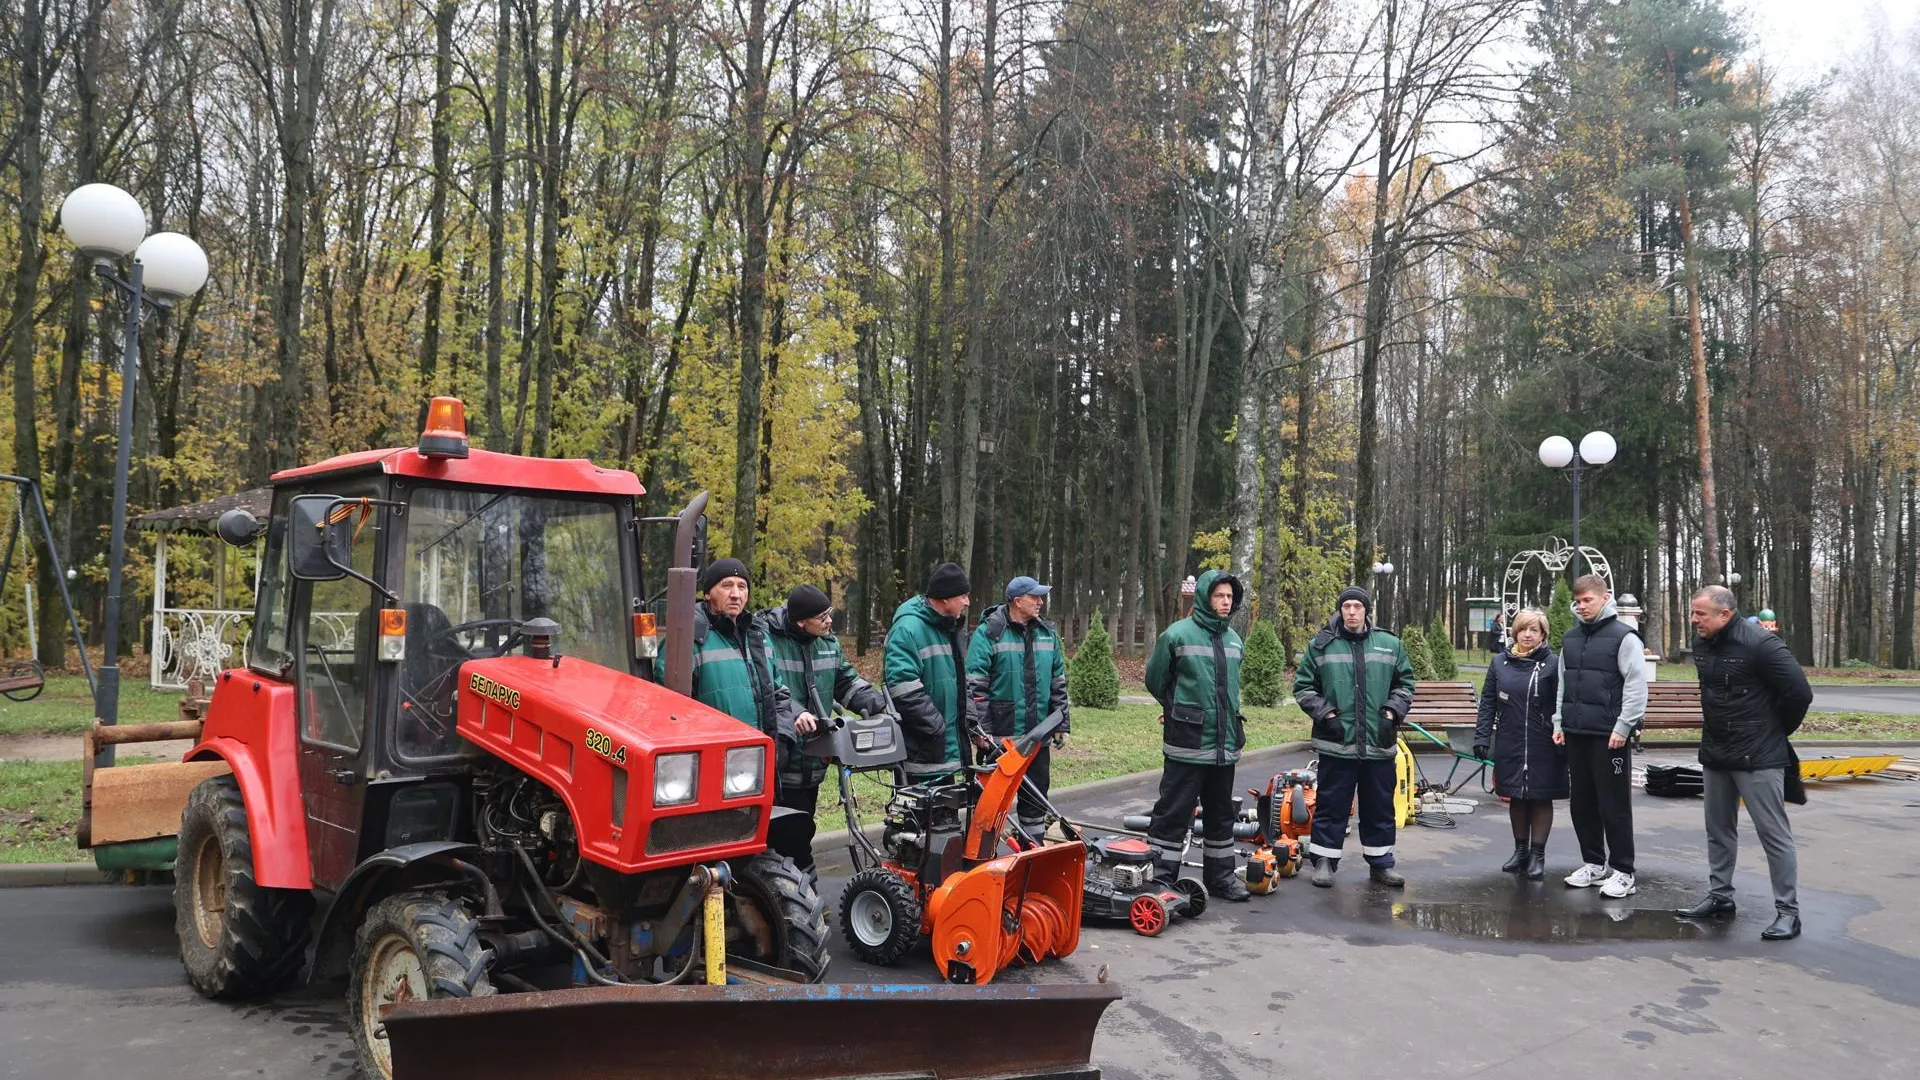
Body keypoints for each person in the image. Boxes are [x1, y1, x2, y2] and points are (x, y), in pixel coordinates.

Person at [1678, 585, 1813, 941]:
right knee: (1718, 830)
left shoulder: (1760, 644)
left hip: (1759, 756)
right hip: (1717, 752)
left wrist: (1773, 731)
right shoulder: (1703, 644)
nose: (1694, 620)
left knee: (1774, 835)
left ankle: (1788, 913)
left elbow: (1800, 693)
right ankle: (1720, 898)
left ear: (1725, 614)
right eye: (1693, 613)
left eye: (1700, 614)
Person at [759, 584, 891, 877]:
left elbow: (847, 682)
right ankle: (793, 892)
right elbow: (769, 687)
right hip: (782, 756)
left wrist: (879, 706)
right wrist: (796, 713)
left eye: (829, 613)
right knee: (782, 832)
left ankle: (803, 891)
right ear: (800, 622)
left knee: (804, 824)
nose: (830, 621)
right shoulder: (768, 642)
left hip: (815, 755)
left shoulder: (828, 644)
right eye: (823, 617)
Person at [1293, 586, 1416, 889]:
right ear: (1340, 610)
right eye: (1346, 606)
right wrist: (1327, 715)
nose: (1351, 612)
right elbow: (1304, 687)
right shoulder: (1322, 646)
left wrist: (1391, 713)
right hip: (1338, 743)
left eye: (1357, 607)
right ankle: (1324, 861)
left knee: (1379, 807)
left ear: (1366, 611)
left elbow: (1406, 685)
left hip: (1378, 743)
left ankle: (1381, 863)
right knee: (1331, 804)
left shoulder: (1389, 644)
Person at [688, 558, 809, 865]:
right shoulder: (689, 640)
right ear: (708, 594)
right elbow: (675, 707)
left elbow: (779, 693)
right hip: (717, 778)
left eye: (742, 587)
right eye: (726, 585)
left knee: (765, 856)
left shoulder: (758, 636)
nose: (735, 594)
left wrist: (781, 740)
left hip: (763, 773)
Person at [1144, 570, 1250, 901]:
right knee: (1173, 813)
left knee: (1221, 814)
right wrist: (1177, 708)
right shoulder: (1176, 636)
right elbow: (1155, 680)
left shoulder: (1234, 639)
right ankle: (1160, 879)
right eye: (1219, 596)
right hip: (1187, 746)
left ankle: (1221, 879)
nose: (1225, 601)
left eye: (1230, 597)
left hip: (1225, 746)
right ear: (1205, 597)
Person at [1551, 573, 1647, 898]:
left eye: (1587, 600)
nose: (1581, 606)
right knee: (1582, 803)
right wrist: (1558, 723)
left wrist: (1623, 727)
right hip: (1576, 732)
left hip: (1610, 737)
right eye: (1577, 602)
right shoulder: (1570, 639)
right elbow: (1563, 685)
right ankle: (1593, 863)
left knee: (1614, 804)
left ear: (1604, 598)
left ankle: (1624, 870)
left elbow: (1636, 686)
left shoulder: (1625, 637)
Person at [967, 576, 1070, 840]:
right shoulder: (989, 633)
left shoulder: (1048, 634)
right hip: (1000, 741)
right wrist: (981, 732)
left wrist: (1060, 724)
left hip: (1038, 739)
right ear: (1016, 600)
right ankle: (981, 865)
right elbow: (976, 686)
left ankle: (1030, 853)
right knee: (990, 808)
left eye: (1041, 596)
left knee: (1035, 807)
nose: (1040, 601)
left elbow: (1058, 681)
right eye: (1034, 597)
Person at [1472, 608, 1566, 880]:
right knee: (1516, 794)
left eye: (1533, 630)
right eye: (1522, 629)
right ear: (1514, 632)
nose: (1527, 634)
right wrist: (1481, 736)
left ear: (1543, 634)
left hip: (1543, 740)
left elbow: (1563, 701)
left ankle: (1538, 855)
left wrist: (1561, 733)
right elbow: (1488, 700)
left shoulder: (1553, 663)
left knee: (1539, 796)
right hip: (1510, 738)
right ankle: (1520, 851)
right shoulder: (1500, 662)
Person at [884, 562, 974, 782]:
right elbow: (903, 688)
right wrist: (938, 728)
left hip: (948, 752)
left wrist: (970, 720)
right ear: (945, 599)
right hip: (922, 754)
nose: (967, 602)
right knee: (919, 816)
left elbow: (961, 682)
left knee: (948, 815)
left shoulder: (950, 628)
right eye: (962, 596)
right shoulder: (908, 630)